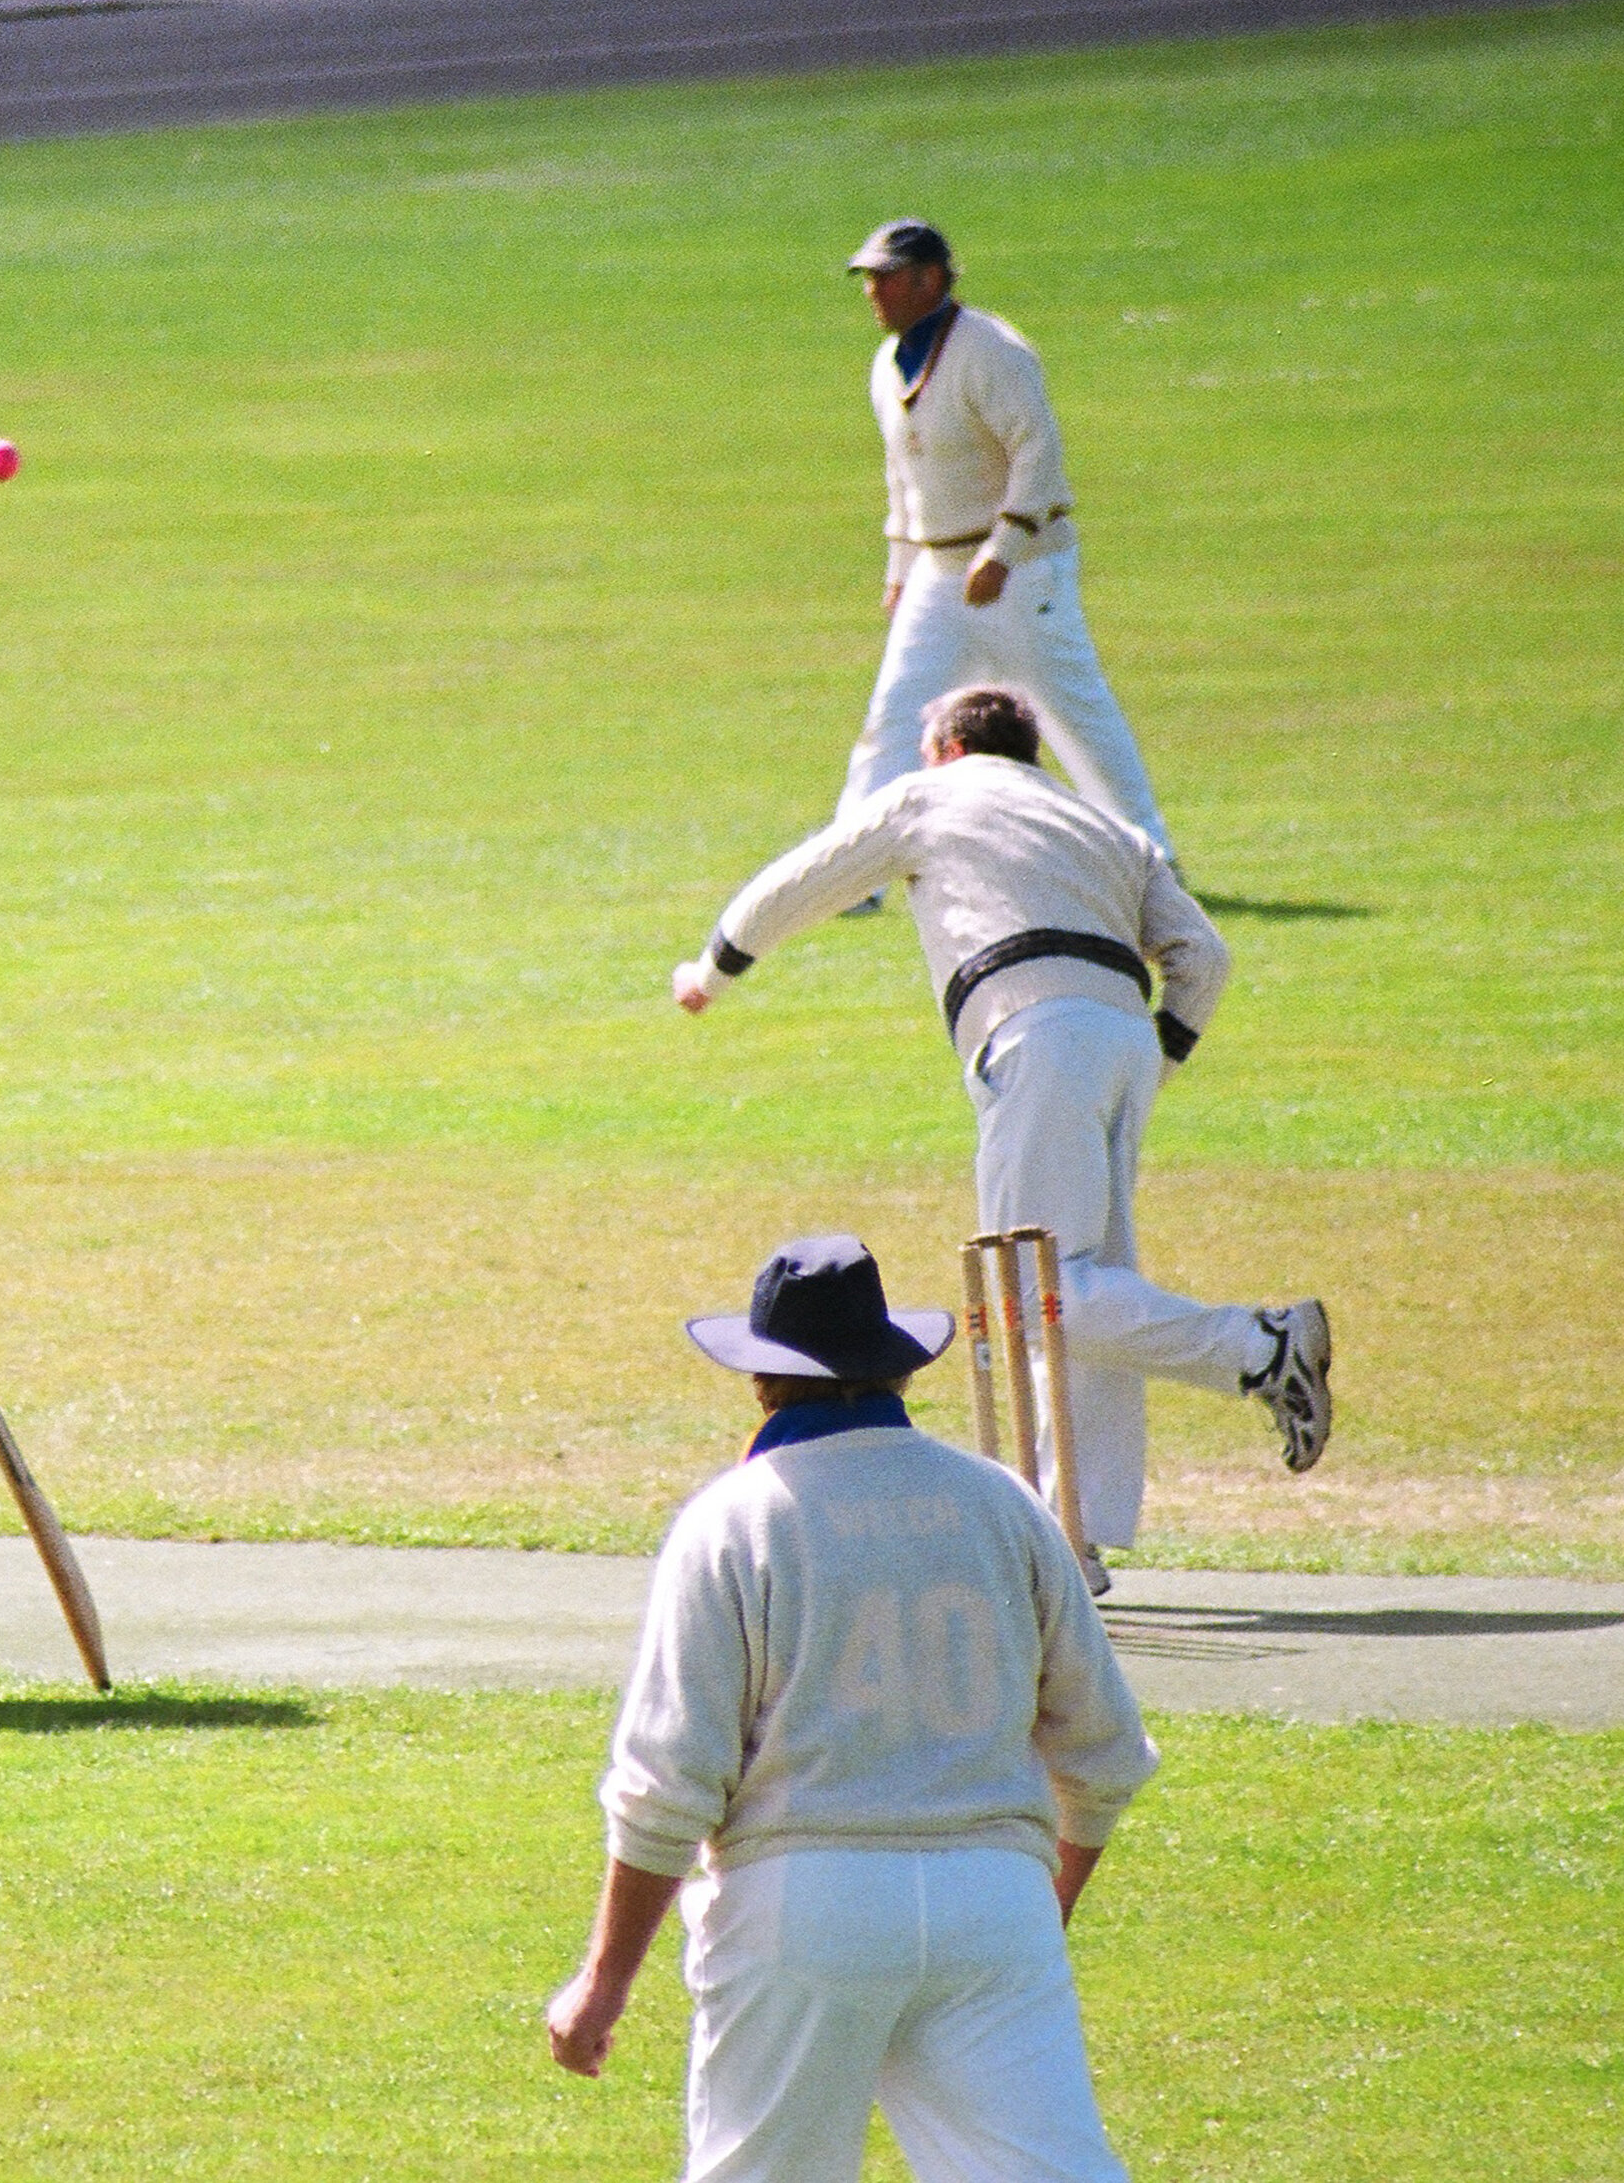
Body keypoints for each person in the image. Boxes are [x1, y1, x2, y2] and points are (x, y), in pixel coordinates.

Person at [543, 1234, 1158, 2183]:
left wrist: (602, 1983)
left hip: (799, 1902)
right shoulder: (1001, 1503)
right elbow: (1105, 1753)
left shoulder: (733, 1519)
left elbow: (666, 1786)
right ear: (893, 1369)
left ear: (761, 1382)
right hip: (993, 1895)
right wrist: (1041, 1901)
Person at [674, 684, 1330, 1563]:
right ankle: (1072, 1536)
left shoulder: (930, 795)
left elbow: (805, 879)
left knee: (1032, 1296)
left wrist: (712, 968)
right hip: (1120, 1039)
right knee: (1079, 1288)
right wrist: (1152, 1058)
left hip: (1030, 1028)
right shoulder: (1103, 825)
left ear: (945, 747)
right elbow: (1202, 956)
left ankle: (1258, 1347)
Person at [839, 219, 1172, 864]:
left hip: (1024, 570)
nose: (872, 292)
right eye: (869, 279)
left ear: (928, 279)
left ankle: (1146, 853)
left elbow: (1038, 452)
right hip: (940, 570)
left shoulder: (992, 350)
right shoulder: (886, 363)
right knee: (896, 712)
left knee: (1071, 712)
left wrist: (1005, 548)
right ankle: (855, 866)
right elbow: (902, 476)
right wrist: (900, 568)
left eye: (884, 277)